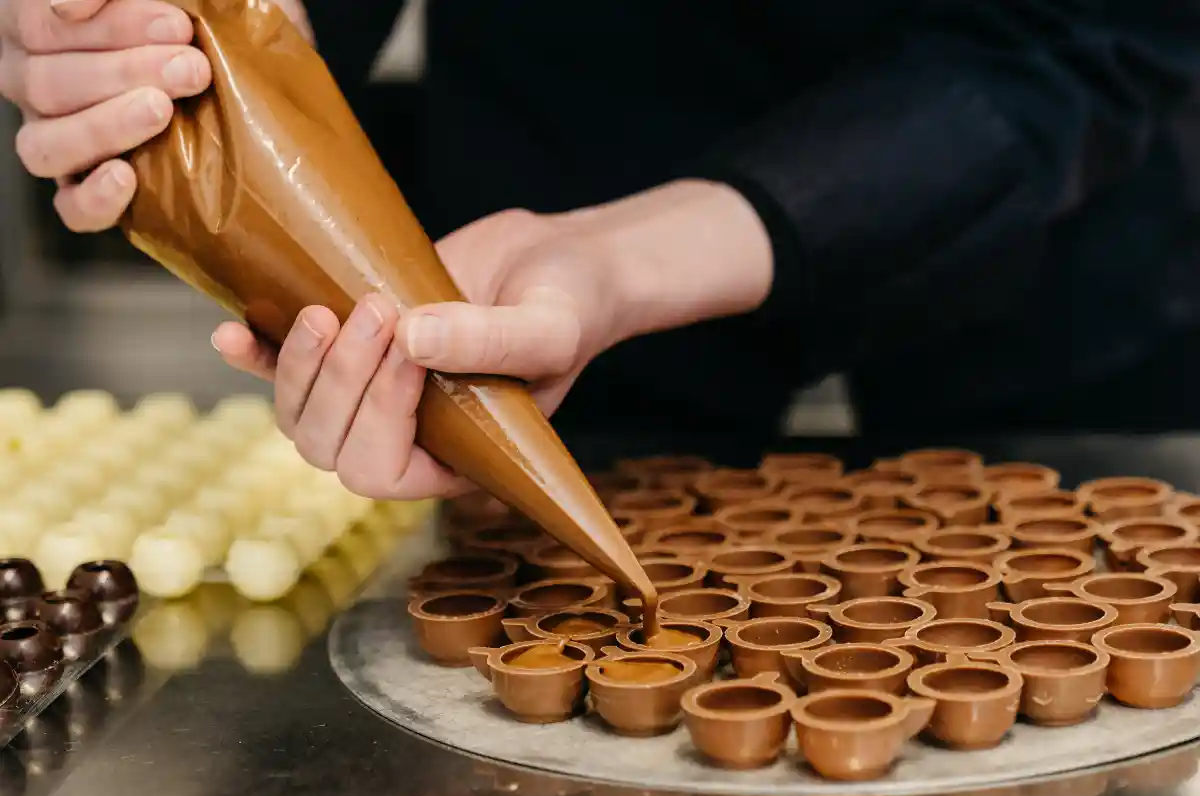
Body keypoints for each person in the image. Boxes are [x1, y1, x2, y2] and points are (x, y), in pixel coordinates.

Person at [3, 0, 1200, 500]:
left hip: (1042, 296)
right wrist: (172, 42)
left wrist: (626, 260)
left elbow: (1091, 37)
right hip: (548, 321)